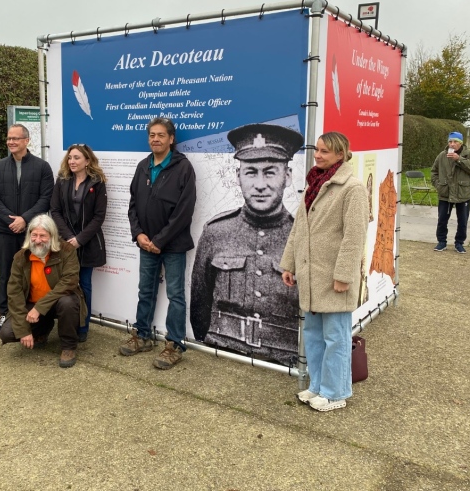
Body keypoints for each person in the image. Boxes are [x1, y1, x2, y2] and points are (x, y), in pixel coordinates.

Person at [189, 123, 304, 367]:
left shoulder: (302, 235)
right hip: (223, 350)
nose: (260, 184)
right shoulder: (216, 231)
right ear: (238, 177)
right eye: (251, 172)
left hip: (283, 359)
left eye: (270, 172)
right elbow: (200, 299)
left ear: (288, 176)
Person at [280, 131, 369, 412]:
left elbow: (355, 236)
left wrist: (344, 275)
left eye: (325, 152)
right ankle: (317, 386)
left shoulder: (352, 188)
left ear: (340, 155)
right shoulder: (313, 185)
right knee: (315, 336)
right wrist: (289, 264)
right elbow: (299, 229)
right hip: (311, 276)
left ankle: (336, 393)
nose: (317, 155)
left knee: (336, 337)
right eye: (317, 150)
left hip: (334, 278)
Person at [119, 117, 197, 370]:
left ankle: (174, 345)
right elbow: (133, 205)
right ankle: (142, 336)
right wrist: (139, 235)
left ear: (171, 139)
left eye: (161, 135)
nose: (155, 139)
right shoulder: (143, 166)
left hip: (172, 245)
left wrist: (160, 240)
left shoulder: (184, 168)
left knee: (175, 295)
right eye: (152, 135)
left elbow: (184, 212)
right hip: (146, 244)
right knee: (146, 291)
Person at [0, 123, 54, 333]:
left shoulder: (42, 167)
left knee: (34, 272)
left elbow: (46, 198)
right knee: (7, 273)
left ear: (26, 140)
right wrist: (11, 221)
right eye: (9, 139)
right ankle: (5, 315)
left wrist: (24, 219)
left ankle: (35, 314)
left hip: (34, 233)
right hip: (7, 231)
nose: (11, 142)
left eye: (15, 138)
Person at [0, 214, 86, 368]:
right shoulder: (20, 257)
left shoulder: (66, 250)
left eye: (43, 236)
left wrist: (40, 308)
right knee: (7, 333)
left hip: (58, 302)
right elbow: (14, 294)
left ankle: (68, 347)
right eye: (34, 235)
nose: (38, 240)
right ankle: (43, 328)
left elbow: (69, 282)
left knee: (68, 302)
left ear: (52, 236)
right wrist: (24, 330)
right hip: (32, 305)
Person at [50, 143, 107, 343]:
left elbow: (99, 217)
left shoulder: (97, 183)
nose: (72, 161)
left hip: (88, 244)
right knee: (64, 284)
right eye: (70, 158)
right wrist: (68, 237)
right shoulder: (62, 180)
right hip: (65, 243)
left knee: (84, 285)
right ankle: (66, 325)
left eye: (76, 158)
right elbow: (54, 210)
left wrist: (80, 239)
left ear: (87, 161)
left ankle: (83, 327)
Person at [430, 131, 470, 254]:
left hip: (463, 194)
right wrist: (438, 185)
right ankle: (441, 242)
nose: (452, 144)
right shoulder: (442, 155)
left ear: (461, 143)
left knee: (462, 221)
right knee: (442, 219)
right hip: (445, 194)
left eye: (455, 142)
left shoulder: (469, 154)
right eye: (450, 142)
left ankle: (459, 243)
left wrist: (459, 160)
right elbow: (433, 172)